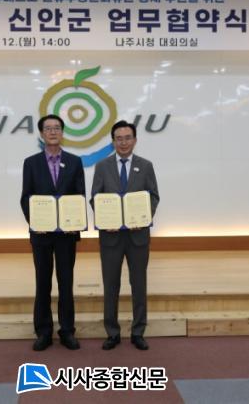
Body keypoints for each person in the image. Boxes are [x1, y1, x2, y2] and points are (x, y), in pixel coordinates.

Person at [90, 120, 159, 351]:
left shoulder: (145, 166)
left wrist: (144, 217)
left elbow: (154, 196)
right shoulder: (102, 166)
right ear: (113, 141)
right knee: (111, 286)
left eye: (128, 138)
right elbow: (95, 198)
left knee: (139, 285)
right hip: (110, 238)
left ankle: (138, 332)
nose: (123, 142)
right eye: (119, 138)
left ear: (135, 140)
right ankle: (112, 333)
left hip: (138, 237)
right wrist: (104, 219)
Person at [20, 114, 85, 351]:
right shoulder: (31, 163)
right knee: (43, 283)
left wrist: (74, 222)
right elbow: (26, 198)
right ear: (41, 134)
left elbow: (79, 196)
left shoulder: (75, 162)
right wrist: (37, 222)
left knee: (66, 284)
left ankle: (67, 331)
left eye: (57, 127)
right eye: (48, 128)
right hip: (42, 235)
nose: (53, 131)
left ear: (62, 132)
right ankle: (43, 332)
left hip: (66, 235)